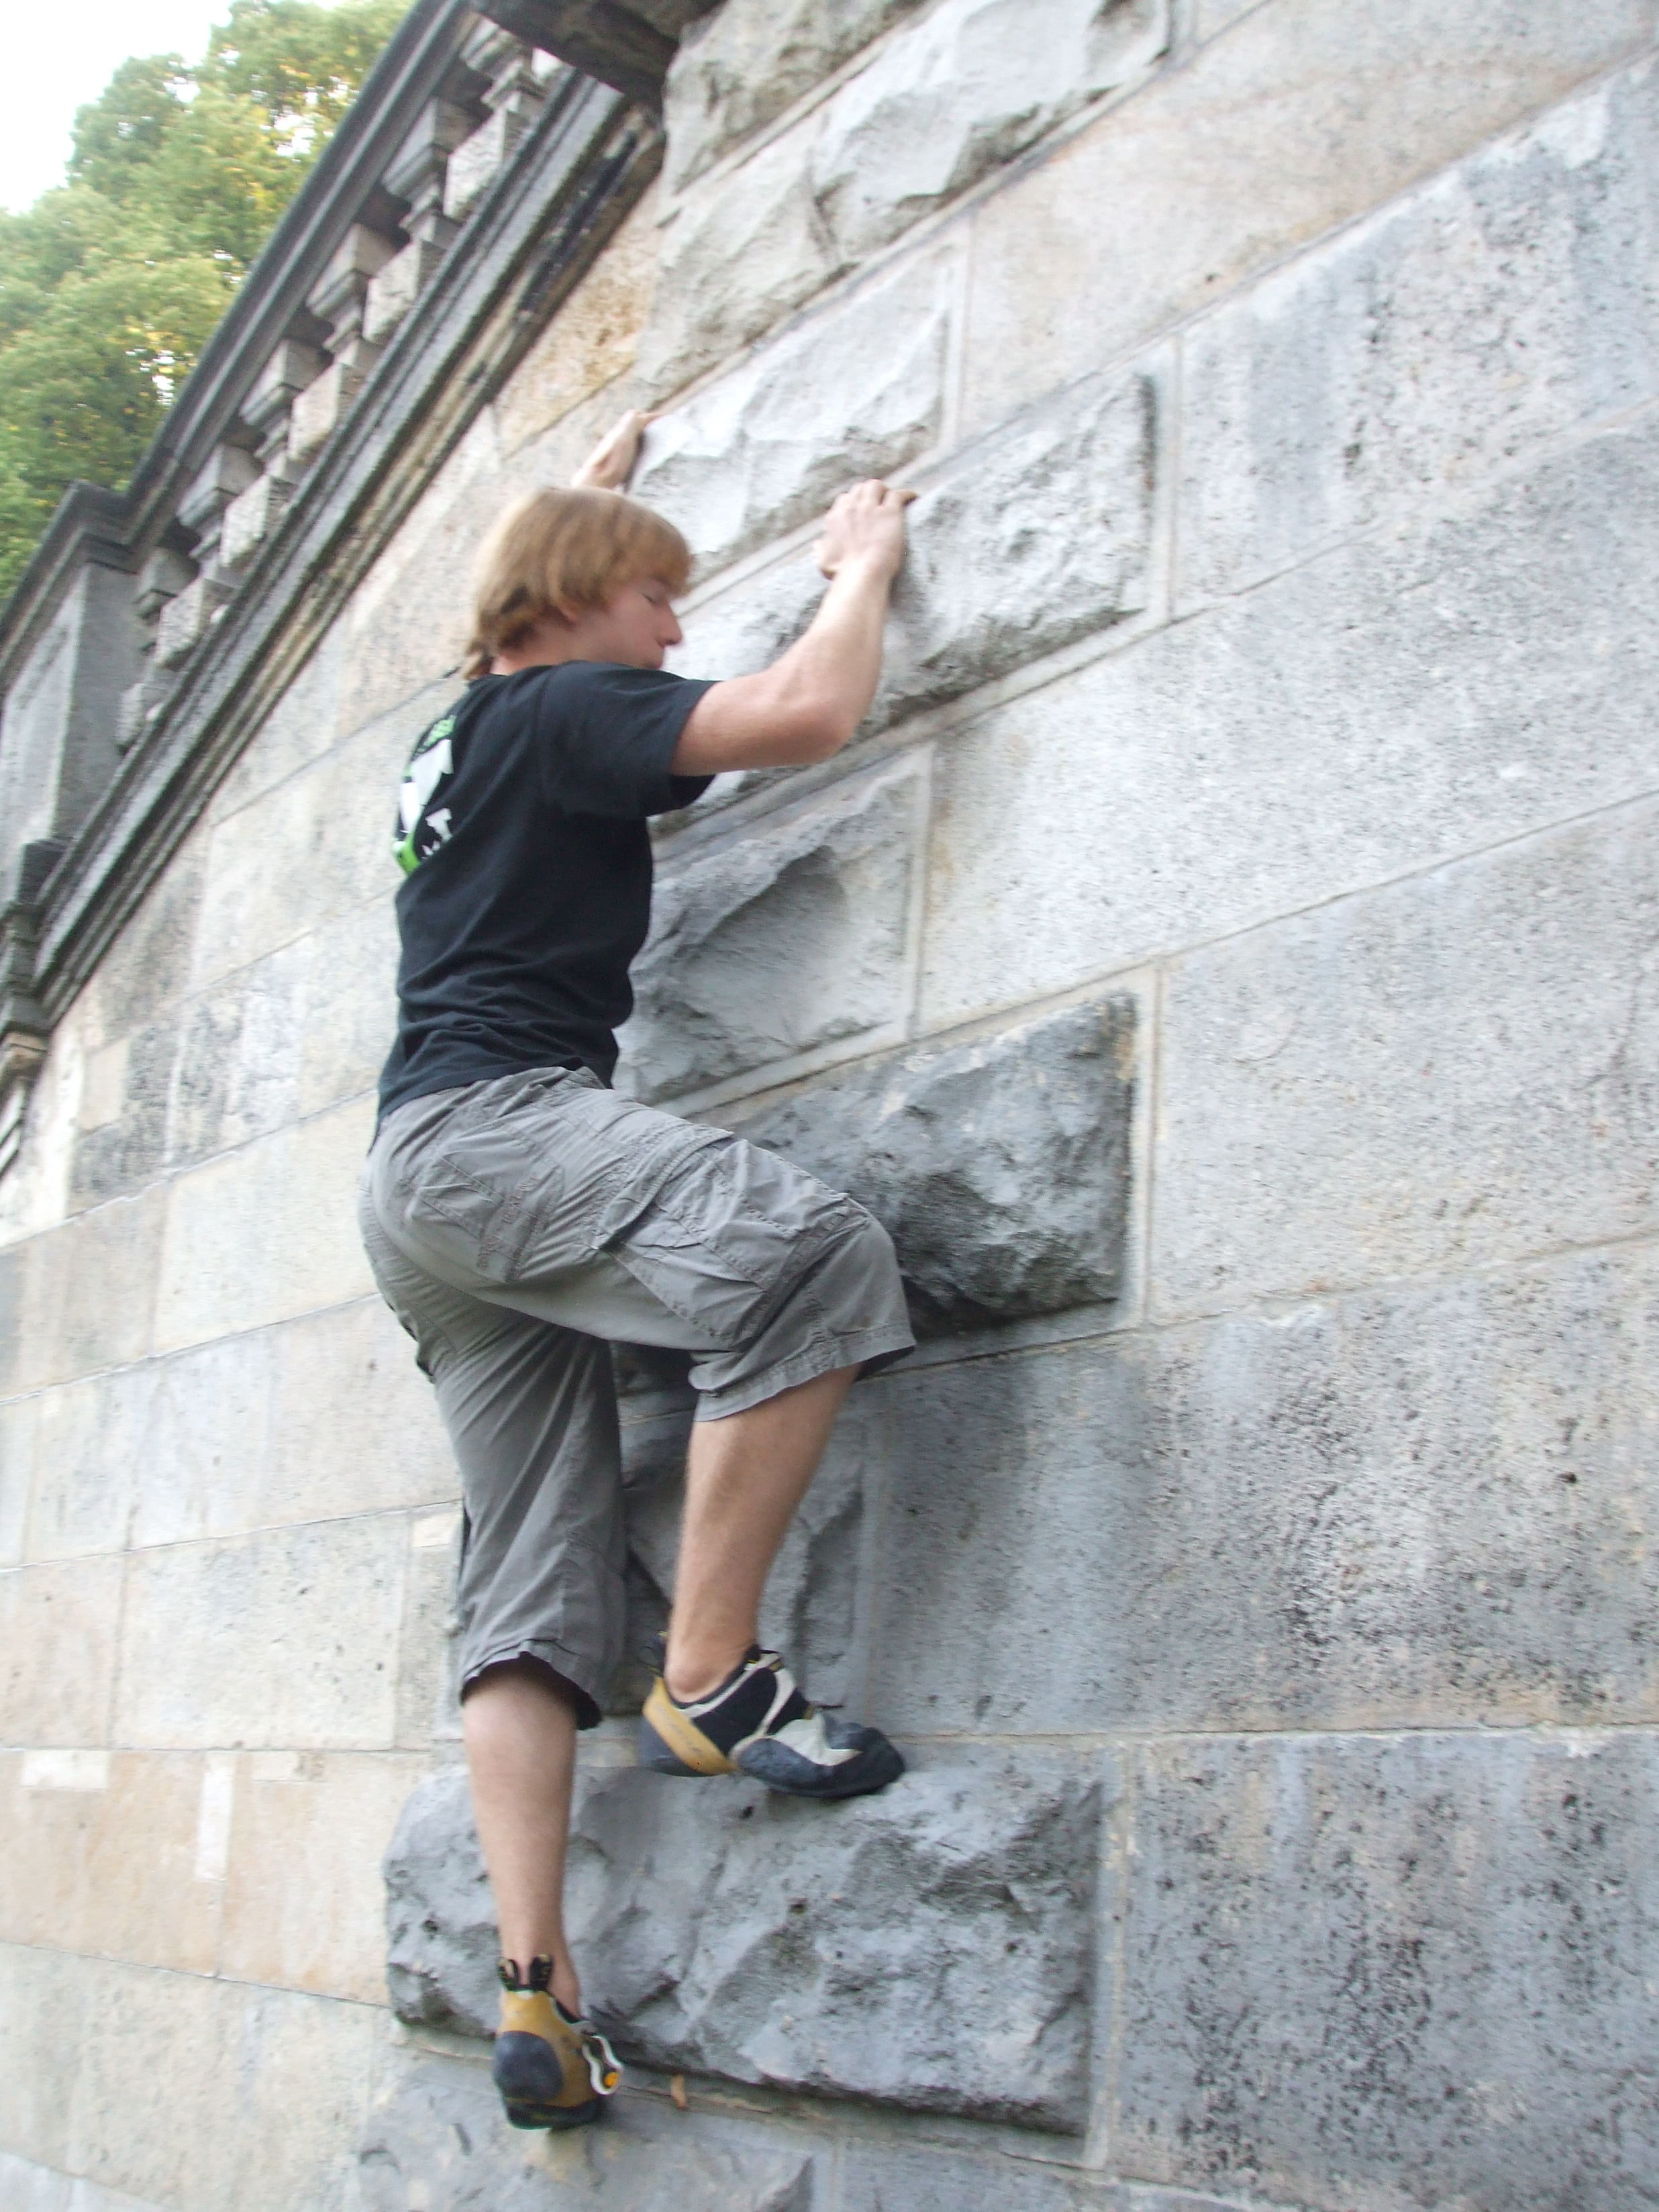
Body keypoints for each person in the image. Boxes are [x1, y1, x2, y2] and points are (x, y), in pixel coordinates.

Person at [357, 408, 918, 2133]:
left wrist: (587, 500)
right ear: (573, 599)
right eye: (659, 595)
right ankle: (711, 1675)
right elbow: (803, 713)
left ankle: (537, 1990)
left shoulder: (459, 731)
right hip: (500, 1131)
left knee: (526, 1592)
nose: (677, 628)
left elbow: (517, 612)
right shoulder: (559, 704)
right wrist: (861, 568)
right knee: (807, 1256)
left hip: (414, 1192)